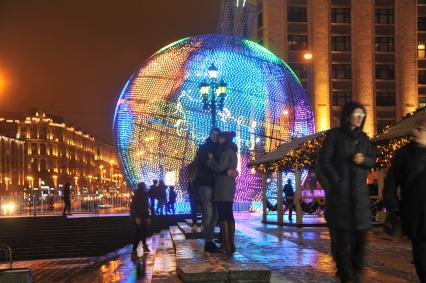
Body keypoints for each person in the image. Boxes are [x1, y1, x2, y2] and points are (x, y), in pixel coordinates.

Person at [318, 101, 376, 282]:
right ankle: (347, 276)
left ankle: (355, 272)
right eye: (356, 114)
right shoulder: (334, 136)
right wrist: (336, 182)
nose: (360, 118)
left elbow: (372, 160)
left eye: (362, 115)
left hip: (359, 199)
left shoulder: (364, 139)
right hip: (341, 198)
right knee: (342, 242)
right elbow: (324, 162)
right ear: (348, 115)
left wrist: (363, 159)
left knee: (361, 240)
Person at [383, 117, 426, 282]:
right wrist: (393, 207)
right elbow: (390, 184)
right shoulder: (404, 153)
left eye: (421, 129)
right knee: (420, 252)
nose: (416, 131)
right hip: (414, 212)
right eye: (417, 128)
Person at [207, 131, 239, 254]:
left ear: (225, 139)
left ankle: (226, 244)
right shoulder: (232, 151)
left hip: (223, 186)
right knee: (228, 214)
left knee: (223, 214)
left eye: (221, 138)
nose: (219, 140)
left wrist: (210, 161)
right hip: (228, 186)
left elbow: (220, 168)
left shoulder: (226, 152)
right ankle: (230, 244)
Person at [194, 128, 221, 252]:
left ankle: (210, 238)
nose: (215, 136)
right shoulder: (204, 148)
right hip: (205, 184)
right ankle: (208, 242)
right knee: (209, 212)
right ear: (210, 135)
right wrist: (211, 164)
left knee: (215, 213)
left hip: (216, 184)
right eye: (213, 134)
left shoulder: (220, 149)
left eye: (217, 135)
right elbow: (201, 165)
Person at [130, 182, 151, 260]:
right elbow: (133, 207)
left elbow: (146, 207)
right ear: (142, 187)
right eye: (145, 186)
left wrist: (148, 217)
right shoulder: (137, 195)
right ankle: (133, 252)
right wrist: (136, 217)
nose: (146, 188)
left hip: (143, 217)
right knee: (137, 234)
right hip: (138, 217)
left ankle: (144, 246)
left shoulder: (145, 195)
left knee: (145, 231)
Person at [187, 159, 201, 227]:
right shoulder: (199, 168)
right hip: (199, 193)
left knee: (194, 209)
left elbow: (189, 185)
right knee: (202, 208)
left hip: (193, 193)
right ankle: (201, 224)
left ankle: (195, 223)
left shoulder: (191, 178)